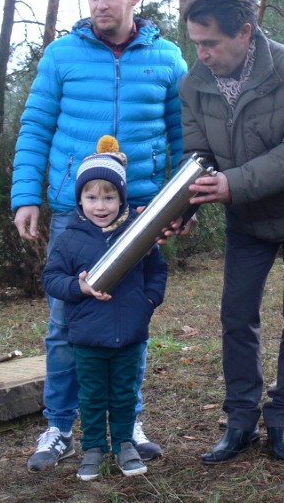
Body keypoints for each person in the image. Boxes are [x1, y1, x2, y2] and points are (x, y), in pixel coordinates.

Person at [11, 0, 187, 471]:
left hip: (142, 214)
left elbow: (183, 138)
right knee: (67, 323)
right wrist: (27, 195)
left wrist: (183, 206)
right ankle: (60, 427)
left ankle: (126, 421)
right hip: (75, 213)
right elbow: (35, 127)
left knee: (129, 319)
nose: (100, 4)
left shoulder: (167, 58)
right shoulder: (61, 56)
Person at [178, 0, 284, 463]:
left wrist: (232, 184)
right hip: (245, 222)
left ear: (245, 32)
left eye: (210, 42)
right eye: (195, 43)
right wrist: (185, 202)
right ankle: (241, 419)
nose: (201, 53)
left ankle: (283, 416)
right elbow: (197, 153)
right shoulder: (193, 84)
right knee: (236, 317)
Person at [42, 137, 167, 481]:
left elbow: (157, 270)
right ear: (79, 199)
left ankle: (125, 443)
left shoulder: (137, 234)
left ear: (121, 197)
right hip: (87, 336)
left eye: (109, 197)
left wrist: (149, 301)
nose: (101, 205)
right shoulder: (69, 238)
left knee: (125, 393)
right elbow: (52, 279)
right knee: (93, 396)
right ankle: (93, 448)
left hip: (130, 333)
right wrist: (78, 287)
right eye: (92, 197)